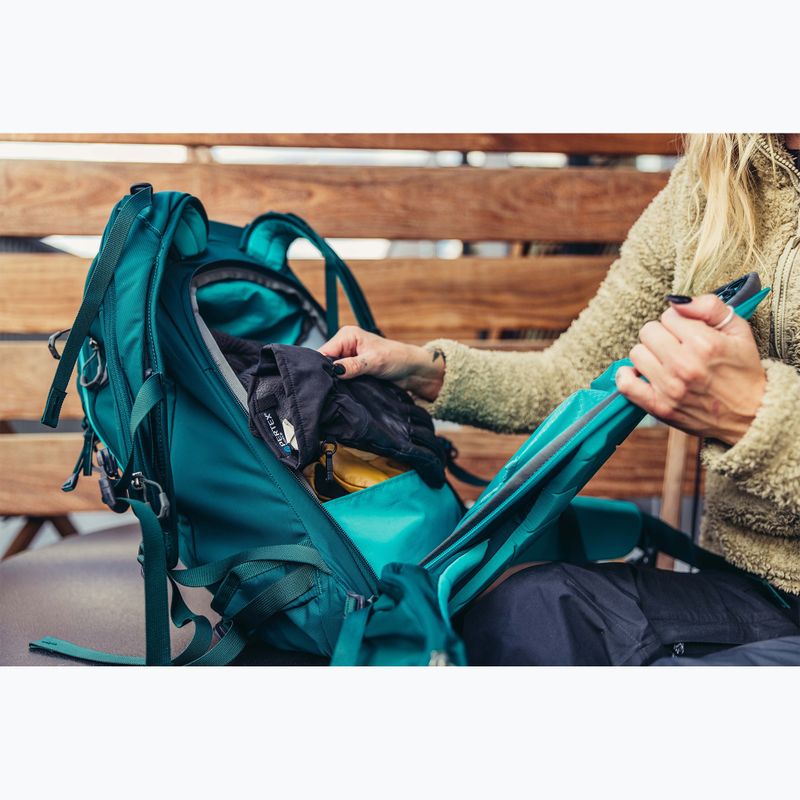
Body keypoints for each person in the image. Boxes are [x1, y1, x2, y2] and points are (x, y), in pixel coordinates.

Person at [319, 133, 800, 665]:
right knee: (523, 615)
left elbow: (753, 413)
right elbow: (575, 374)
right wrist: (425, 370)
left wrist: (754, 417)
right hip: (749, 589)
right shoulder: (712, 181)